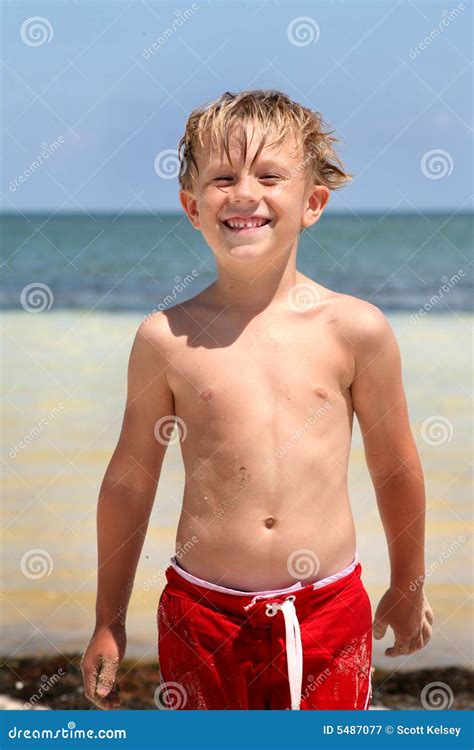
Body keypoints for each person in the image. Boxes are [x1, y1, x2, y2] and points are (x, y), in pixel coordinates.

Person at [81, 90, 434, 711]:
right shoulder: (166, 339)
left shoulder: (356, 330)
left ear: (312, 203)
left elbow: (396, 467)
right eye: (223, 178)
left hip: (327, 610)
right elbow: (130, 482)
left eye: (269, 176)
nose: (244, 193)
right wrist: (108, 619)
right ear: (192, 206)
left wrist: (408, 582)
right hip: (201, 614)